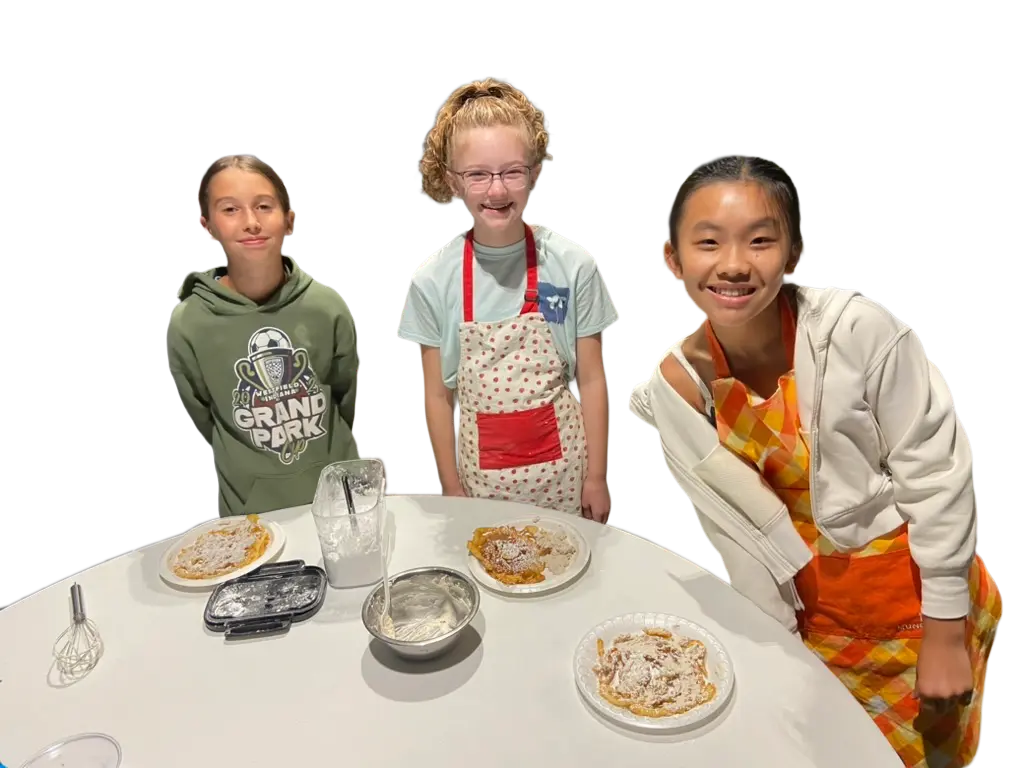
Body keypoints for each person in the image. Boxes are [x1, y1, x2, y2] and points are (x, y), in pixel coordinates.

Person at [627, 153, 1001, 767]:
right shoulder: (677, 388)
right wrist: (773, 638)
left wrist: (944, 632)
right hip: (812, 623)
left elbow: (938, 476)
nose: (734, 264)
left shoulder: (857, 334)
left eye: (760, 240)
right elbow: (734, 531)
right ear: (672, 259)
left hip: (917, 608)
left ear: (794, 254)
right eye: (708, 242)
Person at [397, 77, 619, 522]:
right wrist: (451, 486)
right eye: (478, 174)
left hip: (567, 478)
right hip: (481, 486)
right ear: (453, 180)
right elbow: (438, 396)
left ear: (535, 172)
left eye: (512, 171)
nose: (496, 191)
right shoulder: (432, 281)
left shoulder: (572, 267)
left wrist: (597, 477)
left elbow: (593, 380)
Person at [169, 154, 359, 517]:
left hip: (335, 498)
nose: (251, 222)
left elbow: (343, 397)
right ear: (207, 227)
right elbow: (206, 416)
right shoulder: (189, 322)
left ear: (289, 220)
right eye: (230, 209)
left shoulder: (326, 306)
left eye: (264, 206)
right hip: (250, 509)